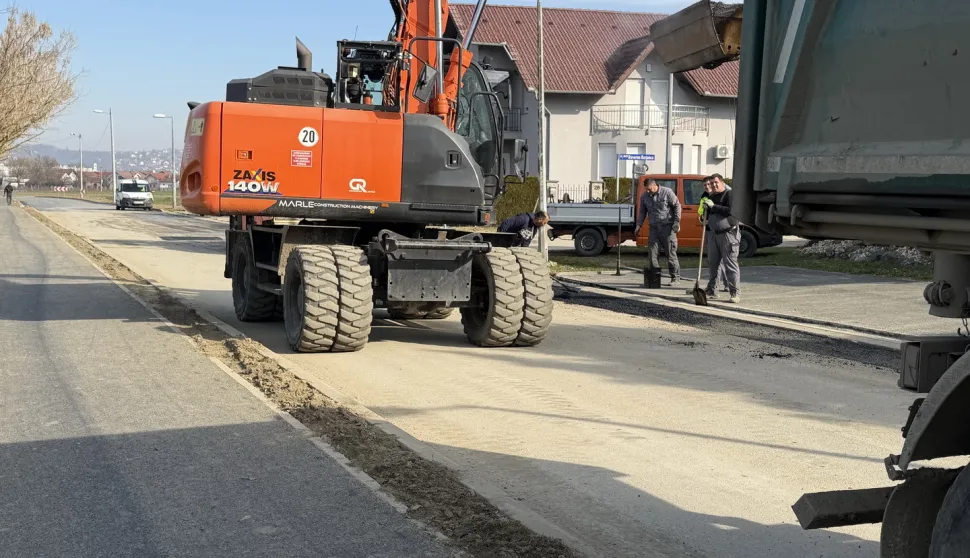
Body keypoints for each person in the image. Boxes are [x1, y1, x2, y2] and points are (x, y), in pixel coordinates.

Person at [700, 173, 741, 303]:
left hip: (728, 234)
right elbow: (709, 214)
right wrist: (705, 214)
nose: (714, 185)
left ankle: (734, 292)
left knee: (730, 264)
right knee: (713, 264)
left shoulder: (729, 195)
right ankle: (712, 290)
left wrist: (714, 207)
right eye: (712, 183)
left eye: (716, 182)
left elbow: (731, 211)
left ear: (722, 182)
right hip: (714, 234)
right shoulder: (711, 196)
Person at [635, 178, 682, 286]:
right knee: (652, 254)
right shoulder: (644, 197)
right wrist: (639, 225)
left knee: (670, 254)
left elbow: (677, 206)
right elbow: (642, 212)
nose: (648, 191)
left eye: (649, 189)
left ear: (655, 186)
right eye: (646, 189)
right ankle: (654, 278)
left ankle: (675, 278)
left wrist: (676, 222)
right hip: (654, 229)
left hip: (667, 228)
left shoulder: (667, 192)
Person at [699, 177, 728, 292]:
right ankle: (713, 285)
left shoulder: (720, 196)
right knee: (713, 261)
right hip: (709, 229)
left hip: (721, 230)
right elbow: (701, 212)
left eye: (708, 184)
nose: (707, 187)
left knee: (721, 260)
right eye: (705, 185)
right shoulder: (704, 197)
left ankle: (726, 284)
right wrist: (702, 217)